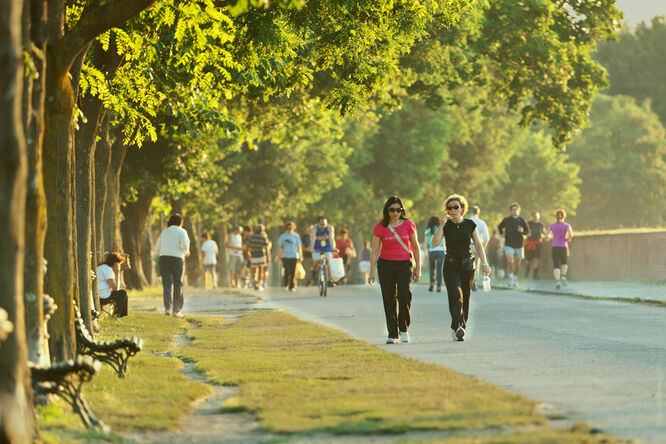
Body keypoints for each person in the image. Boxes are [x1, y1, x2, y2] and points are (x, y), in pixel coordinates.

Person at [432, 194, 491, 342]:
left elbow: (478, 244)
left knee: (465, 297)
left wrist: (484, 263)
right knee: (455, 295)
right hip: (451, 265)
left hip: (467, 265)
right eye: (450, 208)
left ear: (462, 208)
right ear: (447, 210)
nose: (453, 210)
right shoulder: (445, 225)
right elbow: (435, 243)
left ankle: (459, 328)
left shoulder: (470, 224)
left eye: (456, 207)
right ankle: (458, 325)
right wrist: (441, 225)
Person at [369, 196, 421, 344]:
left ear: (402, 210)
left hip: (404, 264)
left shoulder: (409, 224)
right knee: (389, 298)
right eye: (392, 210)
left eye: (398, 210)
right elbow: (374, 250)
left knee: (404, 295)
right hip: (386, 265)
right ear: (387, 210)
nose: (395, 213)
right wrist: (371, 271)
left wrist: (418, 268)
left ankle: (403, 328)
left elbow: (416, 247)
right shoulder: (380, 227)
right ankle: (393, 334)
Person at [155, 214, 190, 318]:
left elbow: (157, 248)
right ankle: (177, 310)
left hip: (164, 259)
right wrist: (187, 251)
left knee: (167, 285)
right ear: (180, 222)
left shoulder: (164, 232)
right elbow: (185, 245)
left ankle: (167, 308)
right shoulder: (182, 231)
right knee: (178, 284)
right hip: (177, 259)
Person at [498, 202, 529, 287]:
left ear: (519, 211)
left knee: (517, 264)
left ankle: (515, 279)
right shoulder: (506, 220)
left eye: (516, 209)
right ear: (510, 211)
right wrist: (502, 233)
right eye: (513, 209)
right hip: (509, 244)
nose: (515, 211)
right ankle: (510, 278)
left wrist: (522, 231)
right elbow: (500, 226)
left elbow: (527, 231)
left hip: (519, 244)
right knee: (509, 260)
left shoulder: (522, 220)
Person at [547, 209, 574, 290]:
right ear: (564, 216)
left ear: (556, 216)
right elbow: (571, 234)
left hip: (555, 247)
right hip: (564, 247)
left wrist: (550, 238)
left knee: (556, 265)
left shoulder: (552, 225)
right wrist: (567, 239)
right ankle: (563, 276)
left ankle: (557, 281)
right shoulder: (567, 225)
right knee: (564, 262)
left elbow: (546, 235)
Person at [96, 252, 129, 317]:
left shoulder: (102, 267)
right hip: (102, 296)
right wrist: (117, 272)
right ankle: (117, 315)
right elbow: (115, 288)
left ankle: (120, 315)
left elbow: (112, 288)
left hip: (99, 293)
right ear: (115, 263)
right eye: (119, 263)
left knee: (123, 294)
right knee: (122, 293)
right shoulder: (107, 269)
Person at [274, 221, 302, 291]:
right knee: (287, 270)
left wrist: (301, 256)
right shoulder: (283, 236)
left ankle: (292, 286)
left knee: (292, 271)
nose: (289, 229)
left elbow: (299, 247)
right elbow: (279, 247)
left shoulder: (296, 236)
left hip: (294, 255)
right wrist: (277, 256)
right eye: (288, 228)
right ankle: (285, 284)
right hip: (285, 255)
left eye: (291, 228)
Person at [467, 205, 490, 291]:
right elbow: (487, 237)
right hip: (478, 245)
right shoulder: (482, 223)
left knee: (467, 264)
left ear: (470, 212)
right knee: (476, 265)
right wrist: (482, 248)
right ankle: (474, 282)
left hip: (468, 245)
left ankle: (468, 281)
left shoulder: (467, 221)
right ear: (478, 213)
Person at [310, 216, 336, 286]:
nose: (323, 226)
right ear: (318, 224)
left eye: (325, 224)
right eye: (321, 224)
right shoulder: (314, 228)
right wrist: (312, 248)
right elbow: (313, 238)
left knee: (328, 262)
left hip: (327, 248)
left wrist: (333, 248)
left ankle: (330, 280)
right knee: (317, 260)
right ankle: (313, 272)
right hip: (316, 248)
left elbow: (331, 238)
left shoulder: (330, 228)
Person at [424, 216, 446, 292]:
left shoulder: (427, 231)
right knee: (439, 269)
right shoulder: (441, 229)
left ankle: (431, 284)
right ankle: (439, 286)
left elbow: (426, 243)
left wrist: (425, 253)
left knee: (431, 268)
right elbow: (443, 241)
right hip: (440, 251)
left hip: (431, 251)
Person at [524, 211, 546, 279]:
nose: (535, 217)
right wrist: (527, 233)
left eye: (537, 216)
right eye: (534, 216)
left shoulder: (541, 224)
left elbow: (544, 232)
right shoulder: (528, 223)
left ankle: (535, 275)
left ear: (539, 217)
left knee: (537, 259)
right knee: (528, 260)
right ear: (532, 216)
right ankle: (527, 272)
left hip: (537, 243)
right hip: (530, 243)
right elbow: (525, 232)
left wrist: (549, 236)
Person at [247, 224, 269, 291]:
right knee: (260, 270)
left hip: (253, 255)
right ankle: (258, 283)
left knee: (253, 270)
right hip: (261, 255)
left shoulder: (251, 236)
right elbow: (266, 248)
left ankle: (254, 281)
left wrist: (248, 253)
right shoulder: (263, 237)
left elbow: (248, 245)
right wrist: (268, 257)